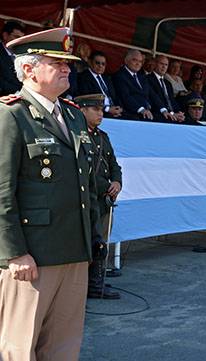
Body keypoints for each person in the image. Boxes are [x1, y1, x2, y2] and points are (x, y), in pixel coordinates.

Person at [0, 27, 103, 361]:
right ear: (28, 70)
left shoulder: (72, 115)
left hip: (73, 249)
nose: (66, 69)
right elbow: (2, 192)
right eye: (56, 62)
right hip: (32, 256)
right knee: (20, 345)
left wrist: (91, 241)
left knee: (63, 346)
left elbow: (82, 185)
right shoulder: (11, 115)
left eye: (68, 64)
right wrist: (14, 252)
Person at [75, 94, 122, 299]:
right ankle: (82, 285)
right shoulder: (75, 134)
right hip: (87, 200)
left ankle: (96, 284)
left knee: (101, 242)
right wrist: (106, 185)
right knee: (86, 243)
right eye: (96, 109)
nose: (100, 114)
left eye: (102, 110)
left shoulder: (102, 137)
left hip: (103, 201)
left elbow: (114, 165)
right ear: (82, 110)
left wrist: (117, 182)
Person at [77, 50, 122, 118]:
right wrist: (107, 109)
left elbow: (115, 95)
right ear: (90, 62)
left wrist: (119, 108)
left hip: (114, 112)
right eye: (97, 63)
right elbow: (88, 98)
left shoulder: (107, 78)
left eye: (103, 64)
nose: (100, 66)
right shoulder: (83, 77)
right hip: (97, 113)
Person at [112, 49, 155, 120]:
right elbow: (126, 97)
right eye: (135, 60)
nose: (138, 63)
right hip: (132, 113)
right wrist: (141, 110)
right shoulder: (120, 76)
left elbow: (153, 95)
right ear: (126, 60)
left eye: (140, 61)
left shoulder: (142, 77)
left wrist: (164, 110)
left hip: (147, 111)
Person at [147, 54, 185, 123]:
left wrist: (179, 112)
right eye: (161, 64)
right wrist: (172, 114)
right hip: (159, 114)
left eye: (166, 65)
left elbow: (171, 100)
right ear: (155, 64)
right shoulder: (148, 79)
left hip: (171, 115)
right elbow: (154, 100)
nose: (164, 67)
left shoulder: (168, 83)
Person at [0, 21, 25, 96]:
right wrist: (18, 92)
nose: (20, 41)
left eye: (22, 38)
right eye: (16, 37)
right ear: (5, 35)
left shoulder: (23, 54)